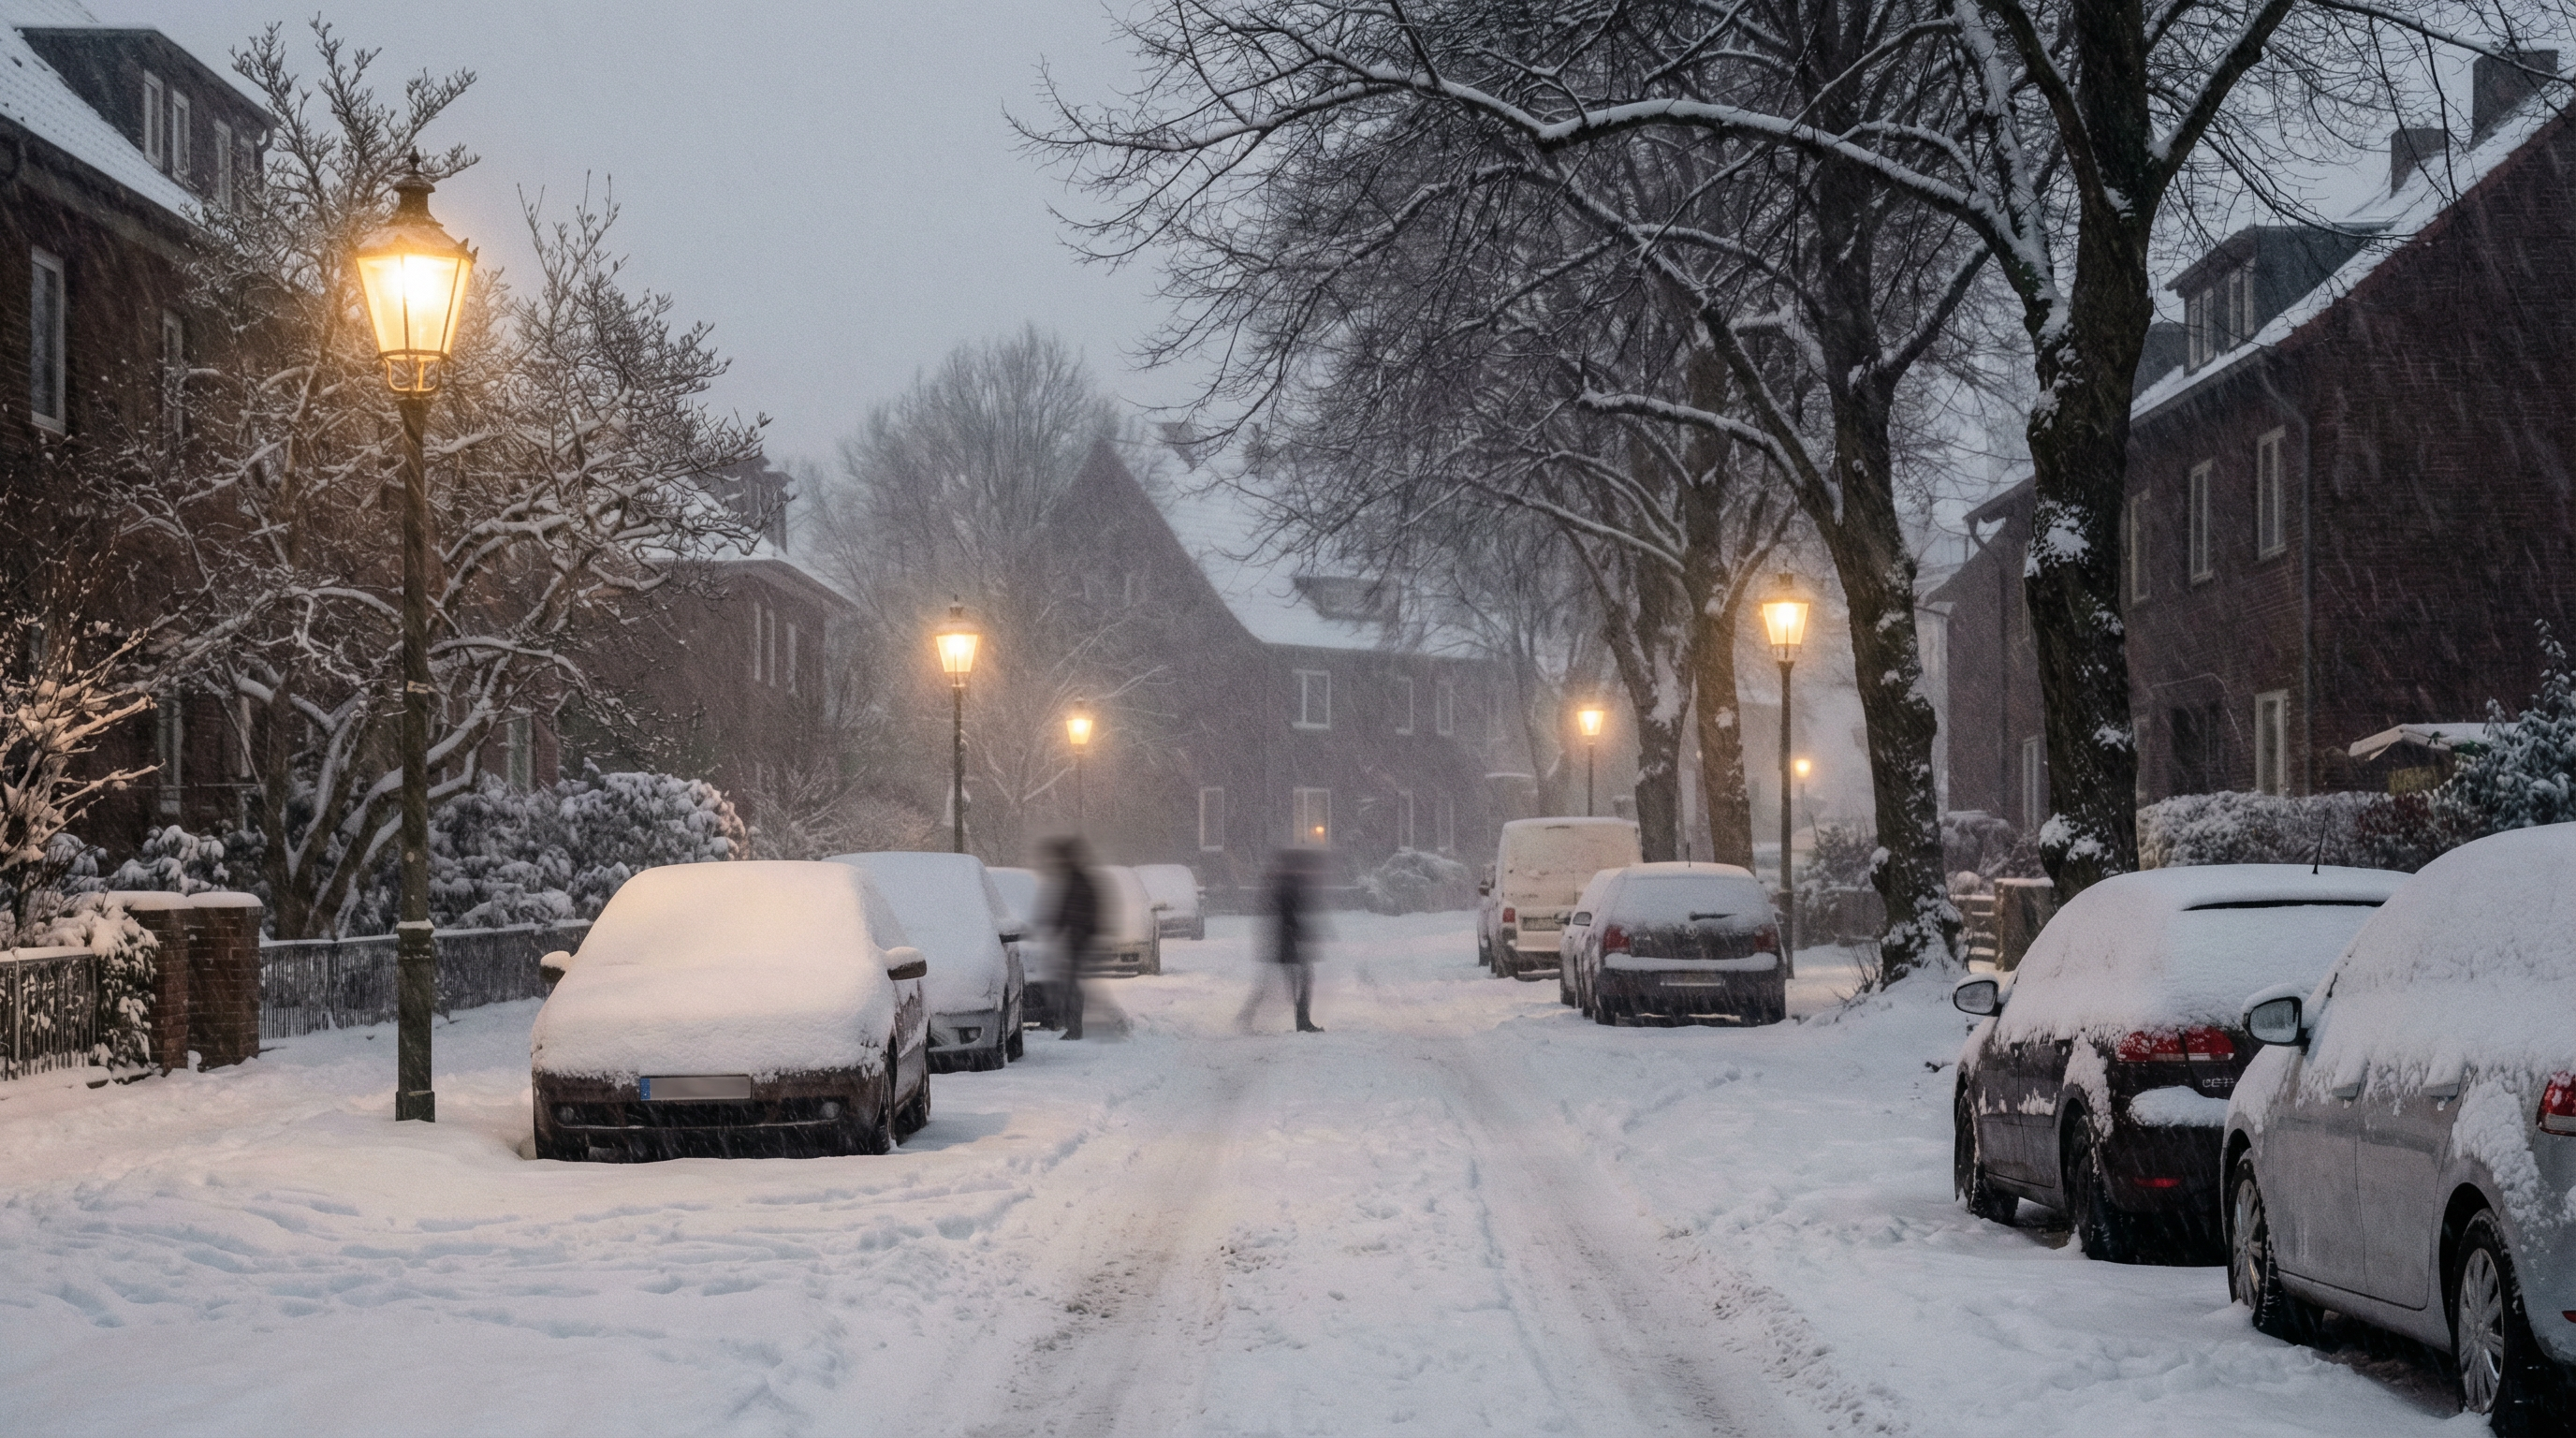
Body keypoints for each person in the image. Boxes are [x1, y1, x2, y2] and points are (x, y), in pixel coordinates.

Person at [1239, 848, 1323, 1034]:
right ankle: (1302, 1022)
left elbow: (1280, 911)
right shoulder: (1289, 882)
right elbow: (1290, 914)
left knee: (1272, 983)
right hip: (1287, 943)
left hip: (1282, 942)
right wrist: (1299, 936)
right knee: (1304, 979)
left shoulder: (1280, 881)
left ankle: (1246, 1016)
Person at [1045, 836, 1099, 1040]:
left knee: (1072, 985)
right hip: (1077, 939)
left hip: (1077, 940)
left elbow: (1072, 910)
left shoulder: (1077, 880)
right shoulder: (1076, 879)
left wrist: (1065, 928)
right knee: (1071, 984)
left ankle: (1074, 1027)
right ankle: (1072, 1025)